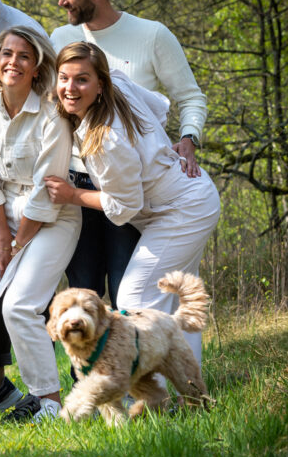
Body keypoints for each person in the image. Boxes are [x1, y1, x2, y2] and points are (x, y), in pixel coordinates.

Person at [44, 42, 220, 365]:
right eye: (64, 78)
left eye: (82, 79)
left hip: (183, 209)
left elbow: (124, 207)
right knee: (173, 299)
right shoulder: (120, 84)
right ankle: (188, 389)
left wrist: (72, 195)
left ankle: (142, 391)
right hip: (185, 196)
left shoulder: (105, 139)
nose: (70, 88)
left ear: (100, 85)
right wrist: (155, 148)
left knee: (135, 298)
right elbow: (160, 108)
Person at [51, 0, 208, 306]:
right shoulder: (60, 40)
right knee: (83, 293)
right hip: (80, 186)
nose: (61, 2)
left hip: (134, 188)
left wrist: (188, 137)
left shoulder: (151, 35)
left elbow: (189, 98)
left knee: (130, 294)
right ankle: (87, 367)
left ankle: (139, 362)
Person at [0, 27, 81, 423]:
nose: (13, 62)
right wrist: (2, 236)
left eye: (24, 57)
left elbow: (48, 186)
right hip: (3, 215)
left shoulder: (53, 112)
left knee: (18, 305)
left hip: (53, 217)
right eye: (6, 54)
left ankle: (48, 402)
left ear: (37, 68)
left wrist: (17, 245)